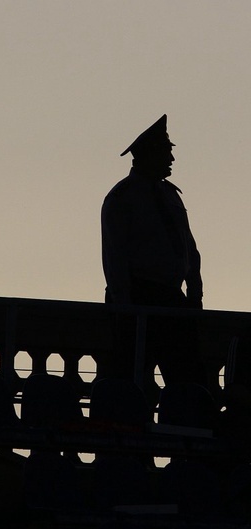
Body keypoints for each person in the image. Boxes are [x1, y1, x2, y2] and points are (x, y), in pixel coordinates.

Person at [101, 114, 204, 386]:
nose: (172, 159)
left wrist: (194, 296)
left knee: (187, 380)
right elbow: (116, 259)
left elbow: (189, 251)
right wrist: (126, 309)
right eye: (166, 152)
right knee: (132, 379)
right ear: (149, 155)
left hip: (172, 299)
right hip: (140, 297)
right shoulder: (121, 198)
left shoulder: (170, 195)